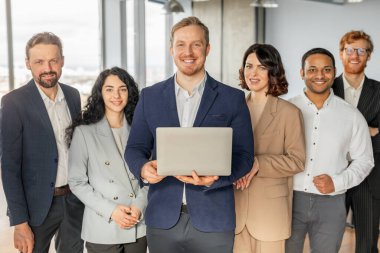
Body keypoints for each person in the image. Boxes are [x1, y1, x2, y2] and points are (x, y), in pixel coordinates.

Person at [125, 16, 254, 253]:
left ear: (207, 48)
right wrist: (143, 168)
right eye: (181, 44)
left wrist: (217, 178)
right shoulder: (149, 97)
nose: (189, 52)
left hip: (214, 218)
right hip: (162, 217)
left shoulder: (232, 99)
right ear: (172, 49)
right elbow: (135, 148)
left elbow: (245, 156)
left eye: (196, 44)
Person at [285, 48, 374, 253]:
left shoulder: (352, 116)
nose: (319, 75)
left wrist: (337, 182)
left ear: (334, 73)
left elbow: (365, 160)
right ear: (302, 73)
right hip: (288, 200)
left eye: (326, 70)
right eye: (312, 69)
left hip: (331, 204)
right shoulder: (287, 109)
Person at [1, 32, 83, 253]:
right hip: (36, 207)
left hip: (74, 200)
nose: (47, 68)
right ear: (28, 64)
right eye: (39, 62)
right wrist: (20, 223)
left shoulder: (73, 96)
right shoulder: (13, 103)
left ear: (62, 61)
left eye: (53, 60)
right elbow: (9, 168)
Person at [233, 43, 306, 253]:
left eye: (261, 67)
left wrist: (258, 163)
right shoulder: (233, 109)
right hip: (236, 211)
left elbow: (297, 160)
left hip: (271, 213)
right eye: (249, 66)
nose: (253, 73)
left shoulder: (289, 112)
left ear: (273, 72)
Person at [67, 67, 147, 253]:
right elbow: (77, 182)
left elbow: (150, 176)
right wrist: (112, 211)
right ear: (100, 94)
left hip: (137, 222)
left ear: (130, 93)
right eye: (109, 89)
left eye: (122, 89)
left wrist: (139, 206)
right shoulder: (84, 132)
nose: (116, 95)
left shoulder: (141, 130)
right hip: (103, 224)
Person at [332, 30, 380, 253]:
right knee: (327, 241)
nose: (355, 55)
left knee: (367, 244)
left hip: (370, 180)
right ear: (341, 54)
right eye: (350, 50)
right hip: (333, 175)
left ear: (369, 56)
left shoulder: (379, 91)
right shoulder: (326, 88)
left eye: (361, 50)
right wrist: (367, 131)